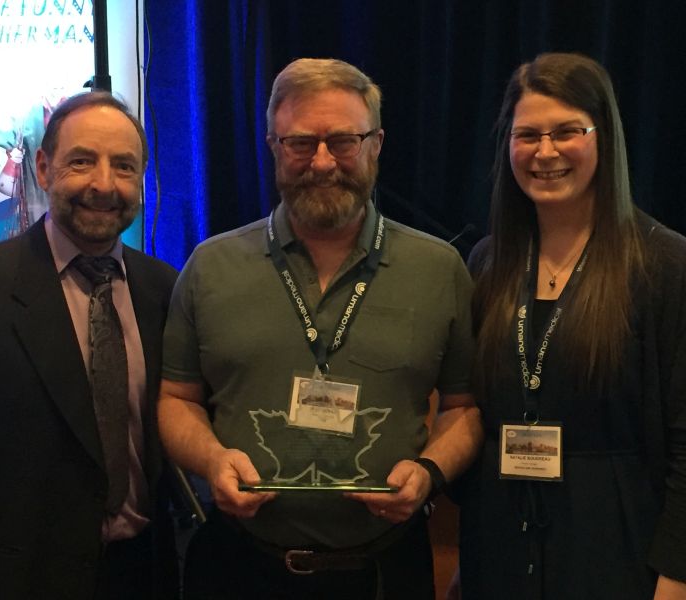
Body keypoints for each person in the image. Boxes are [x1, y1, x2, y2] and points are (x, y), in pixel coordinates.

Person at [158, 57, 483, 599]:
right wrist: (211, 460)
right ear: (273, 145)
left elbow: (464, 407)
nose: (324, 161)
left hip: (385, 572)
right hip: (239, 569)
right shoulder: (210, 267)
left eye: (344, 141)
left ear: (377, 144)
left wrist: (429, 472)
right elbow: (175, 399)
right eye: (301, 143)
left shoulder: (440, 268)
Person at [0, 91, 179, 599]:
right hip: (15, 582)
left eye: (124, 167)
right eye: (82, 161)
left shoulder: (165, 289)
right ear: (45, 169)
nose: (103, 184)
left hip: (144, 575)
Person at [457, 52, 686, 599]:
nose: (545, 152)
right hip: (502, 543)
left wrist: (676, 577)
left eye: (567, 132)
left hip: (616, 547)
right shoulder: (488, 262)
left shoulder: (664, 265)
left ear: (603, 137)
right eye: (527, 134)